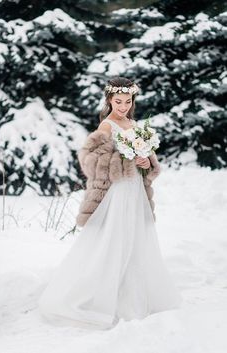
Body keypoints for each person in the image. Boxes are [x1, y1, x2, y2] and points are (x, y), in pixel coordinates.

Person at [38, 76, 183, 331]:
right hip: (118, 192)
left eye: (127, 102)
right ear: (109, 100)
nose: (123, 106)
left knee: (135, 238)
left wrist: (146, 162)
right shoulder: (107, 126)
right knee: (114, 238)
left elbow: (147, 159)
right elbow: (88, 158)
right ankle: (99, 295)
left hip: (136, 191)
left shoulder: (135, 124)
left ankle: (133, 296)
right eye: (118, 101)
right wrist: (123, 161)